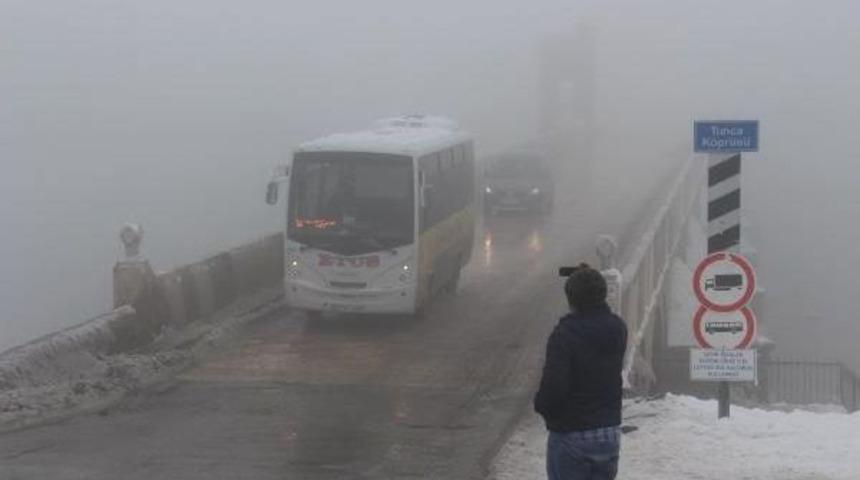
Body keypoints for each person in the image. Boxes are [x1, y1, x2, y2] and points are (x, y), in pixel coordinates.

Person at [534, 263, 628, 480]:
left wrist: (542, 406)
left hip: (571, 436)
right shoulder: (618, 328)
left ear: (571, 299)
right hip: (608, 434)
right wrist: (589, 278)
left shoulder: (564, 335)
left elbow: (554, 389)